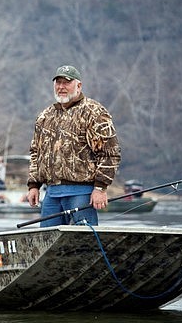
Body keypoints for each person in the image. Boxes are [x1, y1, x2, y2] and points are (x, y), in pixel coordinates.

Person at [26, 65, 121, 227]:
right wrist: (33, 185)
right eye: (58, 82)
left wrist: (100, 188)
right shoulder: (45, 116)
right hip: (52, 194)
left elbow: (110, 154)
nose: (61, 87)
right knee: (46, 240)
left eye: (66, 83)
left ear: (79, 86)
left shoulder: (94, 112)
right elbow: (36, 153)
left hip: (82, 192)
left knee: (83, 242)